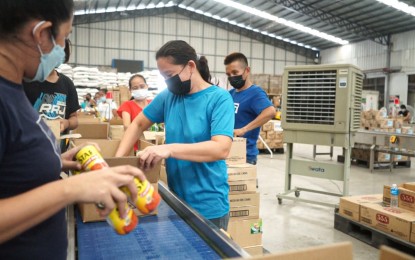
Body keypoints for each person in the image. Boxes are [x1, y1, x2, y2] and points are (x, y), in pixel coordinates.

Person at [0, 1, 146, 258]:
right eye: (64, 37)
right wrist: (72, 189)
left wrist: (56, 161)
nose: (62, 49)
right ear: (42, 34)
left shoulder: (15, 89)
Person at [116, 40, 235, 230]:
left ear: (190, 66)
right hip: (177, 200)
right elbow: (138, 123)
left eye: (170, 75)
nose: (167, 82)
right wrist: (118, 161)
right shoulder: (169, 97)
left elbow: (221, 148)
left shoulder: (219, 99)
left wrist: (168, 149)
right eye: (163, 77)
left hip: (209, 206)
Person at [23, 38, 80, 152]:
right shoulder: (27, 82)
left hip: (58, 150)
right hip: (31, 148)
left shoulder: (67, 84)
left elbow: (74, 118)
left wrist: (67, 123)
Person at [224, 52, 276, 165]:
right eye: (228, 74)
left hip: (245, 155)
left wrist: (244, 129)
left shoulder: (255, 93)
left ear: (247, 71)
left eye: (235, 72)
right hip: (228, 153)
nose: (232, 77)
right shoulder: (230, 94)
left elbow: (270, 111)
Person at [117, 74, 149, 152]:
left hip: (154, 146)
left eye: (142, 86)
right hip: (136, 148)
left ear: (147, 86)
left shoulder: (153, 104)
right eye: (135, 88)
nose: (139, 89)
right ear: (130, 90)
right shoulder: (127, 105)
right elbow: (127, 126)